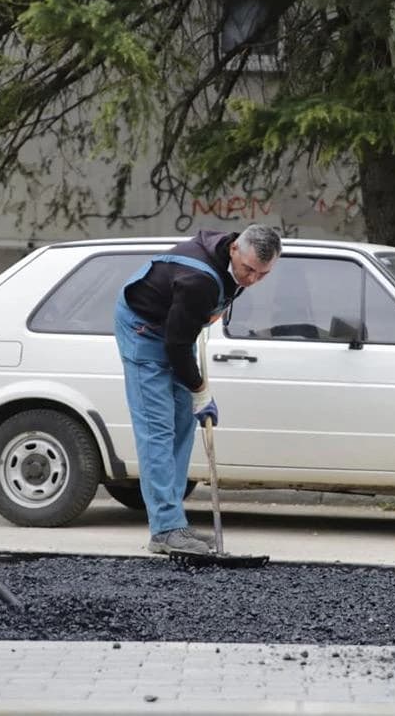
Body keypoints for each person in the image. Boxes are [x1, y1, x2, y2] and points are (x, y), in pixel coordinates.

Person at [115, 224, 281, 555]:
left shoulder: (231, 263)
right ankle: (164, 530)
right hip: (144, 331)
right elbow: (176, 346)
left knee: (182, 425)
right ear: (234, 249)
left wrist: (194, 392)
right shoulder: (199, 280)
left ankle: (174, 522)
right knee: (157, 432)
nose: (251, 279)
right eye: (248, 269)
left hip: (176, 330)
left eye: (262, 275)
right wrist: (200, 389)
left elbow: (183, 336)